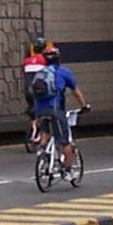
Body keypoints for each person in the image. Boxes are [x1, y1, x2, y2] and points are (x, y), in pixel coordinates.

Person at [38, 41, 88, 182]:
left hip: (40, 110)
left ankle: (43, 154)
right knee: (65, 142)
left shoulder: (40, 73)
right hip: (55, 109)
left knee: (45, 132)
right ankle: (67, 170)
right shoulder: (64, 72)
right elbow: (76, 92)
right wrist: (84, 106)